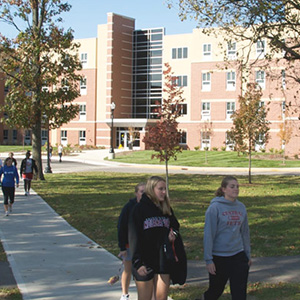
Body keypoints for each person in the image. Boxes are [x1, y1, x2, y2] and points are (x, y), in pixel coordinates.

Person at [199, 176, 251, 300]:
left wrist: (247, 255)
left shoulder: (241, 207)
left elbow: (245, 233)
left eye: (237, 186)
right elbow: (209, 234)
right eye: (232, 186)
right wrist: (209, 259)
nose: (236, 189)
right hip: (219, 257)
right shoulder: (214, 208)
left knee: (239, 293)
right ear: (224, 189)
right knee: (215, 291)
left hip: (238, 255)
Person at [130, 176, 180, 300]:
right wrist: (138, 263)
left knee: (161, 298)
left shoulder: (166, 208)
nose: (164, 192)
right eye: (160, 189)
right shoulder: (139, 209)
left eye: (165, 189)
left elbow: (176, 227)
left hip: (162, 260)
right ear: (151, 189)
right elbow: (133, 237)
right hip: (144, 261)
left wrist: (173, 234)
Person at [117, 182, 146, 300]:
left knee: (142, 271)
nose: (144, 195)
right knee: (128, 269)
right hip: (130, 244)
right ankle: (125, 294)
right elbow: (121, 227)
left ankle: (144, 294)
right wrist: (122, 247)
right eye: (141, 192)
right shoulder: (129, 207)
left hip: (144, 244)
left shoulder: (149, 207)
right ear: (136, 193)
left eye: (146, 192)